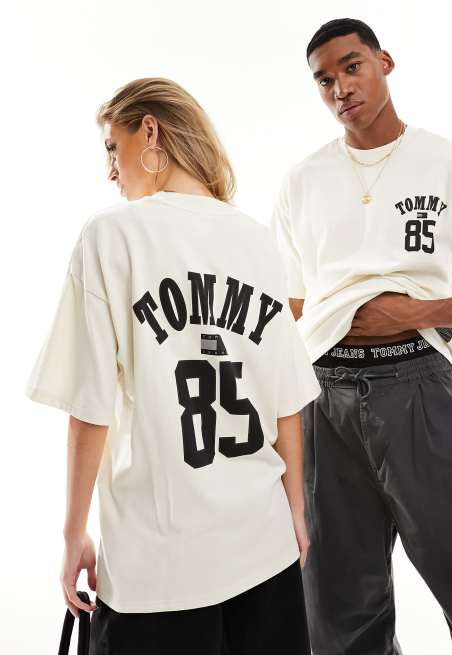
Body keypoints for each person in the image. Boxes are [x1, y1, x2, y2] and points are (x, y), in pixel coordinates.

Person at [24, 76, 321, 655]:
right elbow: (285, 400)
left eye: (113, 147)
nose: (111, 170)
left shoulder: (111, 235)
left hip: (157, 565)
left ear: (150, 131)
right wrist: (295, 509)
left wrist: (72, 534)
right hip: (263, 548)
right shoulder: (256, 240)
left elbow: (90, 407)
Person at [270, 17, 452, 655]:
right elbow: (291, 307)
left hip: (420, 389)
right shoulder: (302, 182)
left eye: (352, 67)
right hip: (322, 399)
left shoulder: (451, 165)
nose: (341, 88)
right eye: (324, 80)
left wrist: (416, 313)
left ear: (384, 62)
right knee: (338, 612)